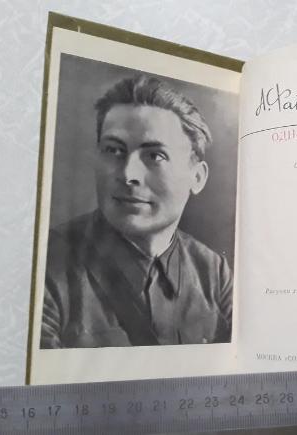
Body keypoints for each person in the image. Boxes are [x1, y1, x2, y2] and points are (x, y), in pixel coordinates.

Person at [40, 75, 233, 348]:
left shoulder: (212, 271)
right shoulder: (46, 265)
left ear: (197, 177)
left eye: (155, 156)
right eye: (113, 150)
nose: (128, 174)